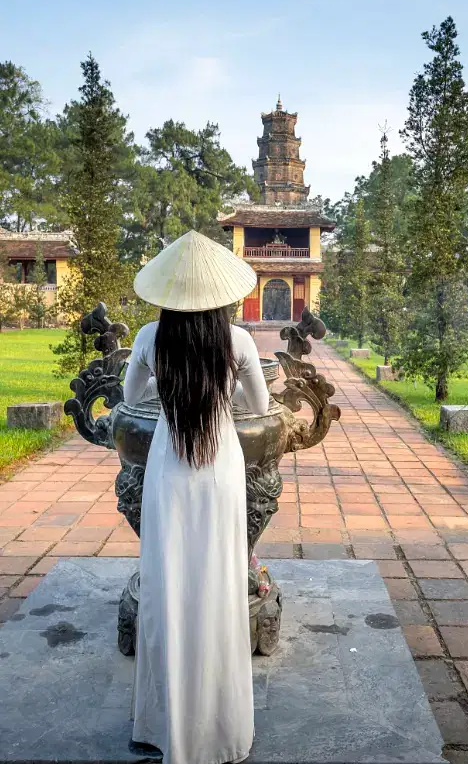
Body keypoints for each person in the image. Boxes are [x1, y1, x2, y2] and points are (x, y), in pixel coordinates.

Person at [124, 230, 269, 764]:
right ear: (219, 291)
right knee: (220, 582)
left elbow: (129, 397)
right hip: (219, 466)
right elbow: (260, 405)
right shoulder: (239, 342)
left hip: (169, 467)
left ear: (167, 290)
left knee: (168, 583)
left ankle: (166, 725)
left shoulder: (148, 337)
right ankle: (220, 725)